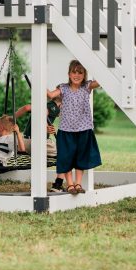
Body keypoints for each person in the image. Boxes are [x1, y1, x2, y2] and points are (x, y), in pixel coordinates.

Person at [47, 59, 102, 195]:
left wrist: (95, 64)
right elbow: (51, 95)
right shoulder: (63, 88)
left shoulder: (87, 87)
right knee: (66, 157)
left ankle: (78, 183)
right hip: (66, 130)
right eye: (74, 72)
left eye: (80, 73)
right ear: (69, 74)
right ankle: (69, 184)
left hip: (84, 129)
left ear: (84, 75)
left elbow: (100, 81)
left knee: (80, 157)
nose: (77, 75)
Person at [15, 98, 66, 191]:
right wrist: (45, 126)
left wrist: (12, 118)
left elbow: (26, 108)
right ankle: (57, 186)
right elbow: (43, 113)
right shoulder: (52, 106)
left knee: (38, 159)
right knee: (67, 154)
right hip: (40, 142)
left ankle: (35, 185)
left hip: (25, 141)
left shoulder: (43, 104)